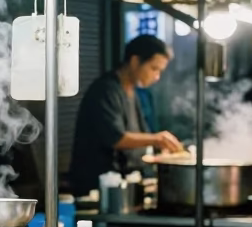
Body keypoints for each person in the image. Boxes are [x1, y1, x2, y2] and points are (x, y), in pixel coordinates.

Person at [68, 34, 183, 196]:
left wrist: (161, 152)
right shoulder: (106, 90)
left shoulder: (133, 92)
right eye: (154, 69)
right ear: (135, 61)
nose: (157, 77)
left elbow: (140, 136)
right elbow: (115, 137)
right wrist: (158, 139)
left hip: (125, 183)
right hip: (97, 187)